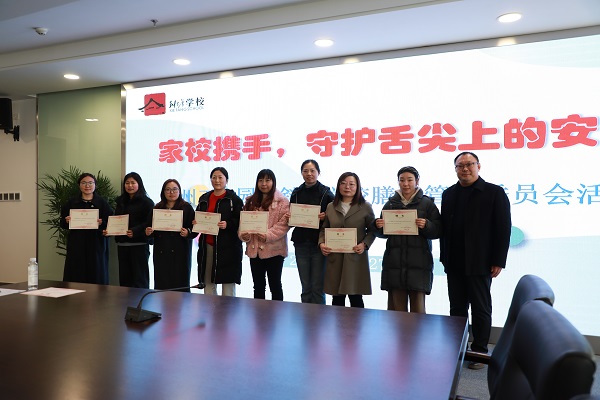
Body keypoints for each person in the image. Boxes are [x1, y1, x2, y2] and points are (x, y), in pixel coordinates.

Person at [439, 152, 511, 369]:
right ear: (455, 169)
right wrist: (444, 257)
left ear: (479, 166)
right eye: (460, 166)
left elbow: (503, 228)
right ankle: (458, 348)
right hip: (454, 261)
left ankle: (479, 351)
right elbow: (444, 229)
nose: (465, 169)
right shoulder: (449, 194)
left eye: (469, 164)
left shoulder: (494, 192)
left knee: (481, 307)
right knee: (457, 308)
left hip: (480, 261)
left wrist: (498, 260)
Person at [374, 166, 442, 313]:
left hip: (418, 263)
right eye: (402, 180)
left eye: (410, 180)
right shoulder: (390, 203)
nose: (405, 184)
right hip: (394, 263)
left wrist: (427, 225)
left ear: (417, 181)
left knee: (418, 311)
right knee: (396, 312)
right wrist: (378, 226)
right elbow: (383, 234)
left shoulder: (427, 204)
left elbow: (438, 230)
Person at [319, 172, 376, 308]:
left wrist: (364, 244)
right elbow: (324, 229)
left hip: (355, 258)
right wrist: (321, 243)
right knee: (337, 299)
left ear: (357, 187)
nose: (347, 187)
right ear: (338, 186)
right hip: (335, 258)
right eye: (343, 183)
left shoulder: (365, 207)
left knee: (356, 299)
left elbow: (372, 230)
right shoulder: (331, 207)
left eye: (351, 184)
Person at [239, 169, 290, 301]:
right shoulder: (250, 201)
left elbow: (284, 224)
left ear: (273, 182)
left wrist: (268, 235)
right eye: (260, 180)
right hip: (255, 250)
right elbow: (243, 223)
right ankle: (258, 313)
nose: (264, 184)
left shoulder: (283, 202)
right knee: (258, 286)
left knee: (275, 285)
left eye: (267, 180)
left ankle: (277, 313)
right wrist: (244, 235)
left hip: (275, 250)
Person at [289, 159, 334, 304]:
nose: (309, 174)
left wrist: (327, 216)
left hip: (319, 244)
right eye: (305, 171)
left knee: (318, 286)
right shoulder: (296, 193)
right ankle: (306, 315)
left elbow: (336, 217)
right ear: (301, 173)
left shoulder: (326, 193)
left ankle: (319, 317)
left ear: (318, 173)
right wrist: (290, 217)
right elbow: (291, 217)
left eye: (312, 171)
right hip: (301, 242)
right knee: (305, 285)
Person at [194, 167, 244, 296]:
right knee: (207, 280)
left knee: (228, 282)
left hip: (228, 247)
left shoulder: (234, 199)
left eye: (220, 177)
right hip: (208, 245)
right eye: (214, 177)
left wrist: (228, 224)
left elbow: (241, 220)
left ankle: (228, 308)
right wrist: (196, 222)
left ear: (227, 180)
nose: (217, 180)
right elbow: (198, 215)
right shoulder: (204, 198)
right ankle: (209, 307)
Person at [60, 172, 113, 284]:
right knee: (76, 272)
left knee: (96, 272)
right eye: (83, 183)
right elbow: (62, 223)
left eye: (90, 183)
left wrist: (102, 222)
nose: (87, 185)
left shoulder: (102, 203)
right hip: (77, 243)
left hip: (96, 243)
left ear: (95, 185)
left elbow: (111, 222)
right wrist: (67, 221)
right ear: (79, 185)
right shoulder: (72, 202)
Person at [145, 179, 198, 290]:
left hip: (180, 252)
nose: (171, 192)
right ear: (163, 192)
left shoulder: (186, 208)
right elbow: (149, 228)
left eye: (175, 189)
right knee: (162, 283)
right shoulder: (157, 208)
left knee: (180, 284)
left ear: (179, 191)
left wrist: (187, 232)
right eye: (168, 190)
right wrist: (148, 232)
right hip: (162, 251)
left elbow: (194, 229)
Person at [109, 172, 154, 288]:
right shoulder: (120, 201)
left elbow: (149, 222)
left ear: (139, 184)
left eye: (133, 183)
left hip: (139, 245)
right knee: (125, 279)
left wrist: (135, 231)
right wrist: (110, 229)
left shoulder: (147, 202)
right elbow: (117, 219)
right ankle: (125, 300)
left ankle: (141, 299)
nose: (130, 186)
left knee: (140, 279)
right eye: (127, 183)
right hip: (122, 244)